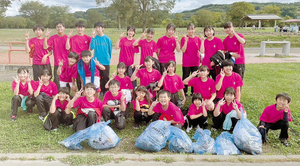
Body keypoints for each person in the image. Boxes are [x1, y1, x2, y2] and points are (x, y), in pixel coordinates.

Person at [66, 20, 91, 90]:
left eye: (82, 27)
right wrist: (68, 38)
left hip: (84, 60)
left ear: (84, 28)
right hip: (75, 60)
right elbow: (67, 47)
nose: (80, 29)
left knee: (84, 76)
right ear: (76, 28)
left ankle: (86, 90)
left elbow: (92, 48)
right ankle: (79, 90)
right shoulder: (72, 38)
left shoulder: (88, 38)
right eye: (78, 27)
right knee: (76, 76)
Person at [43, 21, 69, 89]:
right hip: (57, 63)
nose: (59, 28)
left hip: (67, 63)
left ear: (64, 28)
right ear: (55, 29)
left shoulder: (67, 37)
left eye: (60, 26)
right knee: (57, 81)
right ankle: (58, 95)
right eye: (57, 27)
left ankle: (67, 95)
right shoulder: (53, 38)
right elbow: (45, 47)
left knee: (67, 82)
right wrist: (46, 37)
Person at [90, 22, 112, 96]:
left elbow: (110, 50)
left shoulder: (107, 39)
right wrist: (92, 38)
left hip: (106, 61)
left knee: (105, 76)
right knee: (98, 77)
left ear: (103, 28)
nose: (98, 29)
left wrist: (108, 59)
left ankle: (105, 90)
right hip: (97, 61)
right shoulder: (95, 38)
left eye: (99, 27)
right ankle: (100, 90)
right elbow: (92, 47)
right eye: (96, 28)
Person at [181, 23, 203, 96]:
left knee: (195, 77)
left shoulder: (198, 39)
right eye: (189, 29)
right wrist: (186, 41)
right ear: (187, 30)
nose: (191, 31)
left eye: (192, 29)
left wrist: (202, 41)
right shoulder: (184, 39)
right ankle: (185, 92)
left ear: (195, 30)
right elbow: (183, 50)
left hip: (196, 61)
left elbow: (201, 50)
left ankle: (193, 92)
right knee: (185, 77)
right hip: (186, 62)